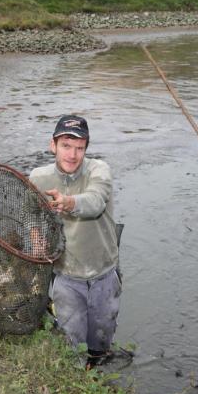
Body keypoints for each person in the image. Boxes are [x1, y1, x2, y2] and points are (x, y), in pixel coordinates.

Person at [29, 115, 121, 368]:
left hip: (103, 272)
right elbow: (30, 215)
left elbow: (95, 201)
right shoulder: (38, 178)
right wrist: (36, 238)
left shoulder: (98, 170)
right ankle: (80, 382)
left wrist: (68, 202)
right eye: (66, 146)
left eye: (80, 148)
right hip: (66, 275)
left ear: (86, 149)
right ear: (53, 145)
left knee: (101, 340)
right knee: (73, 344)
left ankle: (99, 368)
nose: (72, 154)